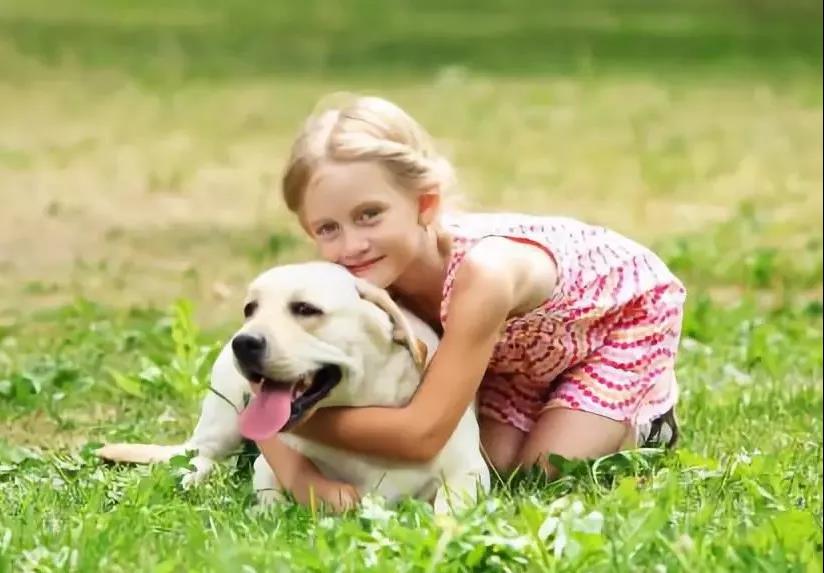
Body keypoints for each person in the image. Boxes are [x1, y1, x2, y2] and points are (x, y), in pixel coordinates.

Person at [253, 95, 685, 512]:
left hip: (616, 320)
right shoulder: (358, 280)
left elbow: (422, 435)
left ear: (425, 204)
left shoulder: (484, 274)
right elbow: (260, 383)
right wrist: (300, 477)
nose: (352, 245)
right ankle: (551, 405)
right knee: (492, 464)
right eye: (328, 228)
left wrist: (285, 418)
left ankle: (647, 419)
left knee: (541, 472)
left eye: (370, 215)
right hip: (513, 354)